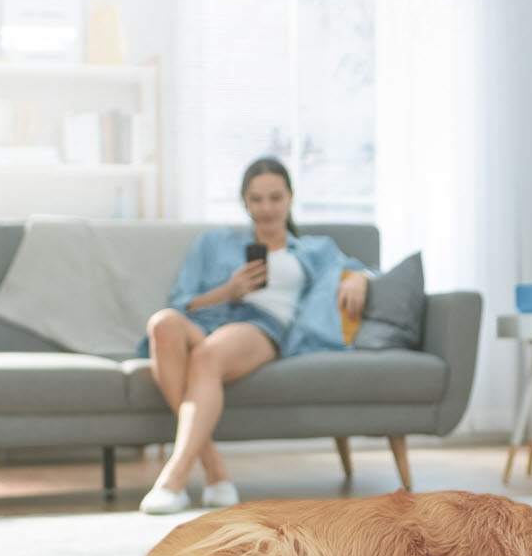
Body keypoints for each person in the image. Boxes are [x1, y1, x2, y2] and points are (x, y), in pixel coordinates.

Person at [138, 157, 370, 514]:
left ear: (290, 198)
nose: (266, 208)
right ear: (244, 202)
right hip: (212, 317)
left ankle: (175, 478)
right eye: (256, 199)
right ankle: (216, 470)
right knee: (162, 324)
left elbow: (360, 268)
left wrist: (358, 277)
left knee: (206, 356)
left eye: (275, 198)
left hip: (261, 326)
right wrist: (228, 291)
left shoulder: (314, 249)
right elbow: (182, 302)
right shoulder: (213, 243)